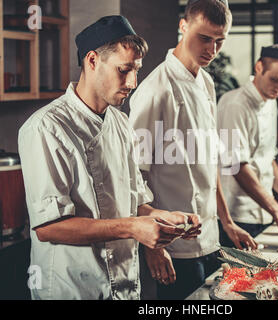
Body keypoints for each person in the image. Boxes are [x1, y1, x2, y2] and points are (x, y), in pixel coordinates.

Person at [18, 15, 200, 300]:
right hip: (73, 290)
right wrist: (132, 228)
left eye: (136, 70)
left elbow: (136, 202)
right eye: (124, 69)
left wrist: (165, 221)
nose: (133, 81)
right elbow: (48, 227)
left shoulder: (120, 122)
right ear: (92, 61)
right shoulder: (45, 127)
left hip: (125, 286)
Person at [129, 0, 257, 300]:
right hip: (174, 247)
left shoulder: (207, 82)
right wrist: (153, 246)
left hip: (210, 237)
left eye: (219, 41)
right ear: (183, 26)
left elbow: (209, 163)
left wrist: (227, 222)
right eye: (204, 38)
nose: (212, 50)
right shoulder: (155, 90)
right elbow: (133, 177)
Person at [217, 44, 278, 248]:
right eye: (274, 80)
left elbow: (266, 157)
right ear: (259, 67)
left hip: (263, 214)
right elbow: (236, 165)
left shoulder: (270, 102)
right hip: (238, 217)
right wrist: (276, 209)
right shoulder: (235, 104)